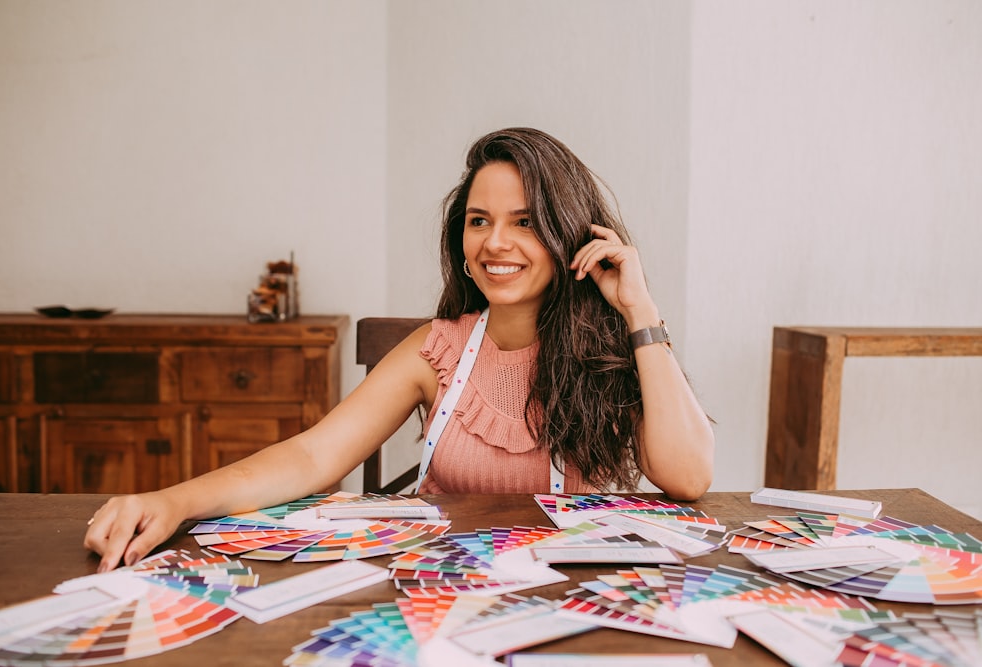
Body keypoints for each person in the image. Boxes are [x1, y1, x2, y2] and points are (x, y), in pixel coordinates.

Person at [84, 127, 715, 572]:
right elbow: (312, 457)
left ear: (565, 235)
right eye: (478, 220)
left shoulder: (614, 350)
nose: (496, 242)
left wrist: (639, 309)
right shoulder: (433, 352)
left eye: (524, 221)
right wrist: (173, 501)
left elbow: (688, 478)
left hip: (572, 597)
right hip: (438, 592)